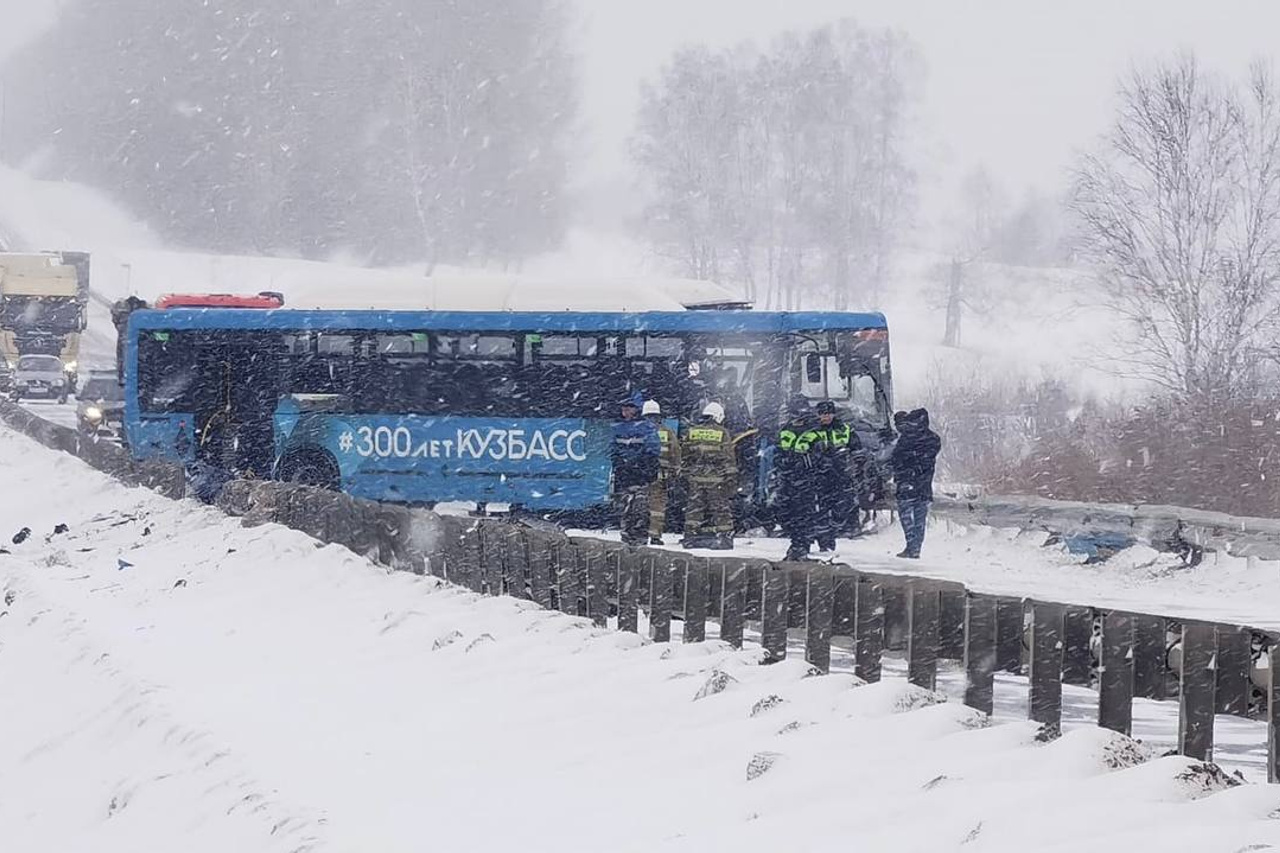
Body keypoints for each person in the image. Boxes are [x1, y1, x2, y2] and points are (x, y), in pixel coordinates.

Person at [680, 401, 736, 550]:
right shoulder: (722, 432)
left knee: (694, 508)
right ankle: (725, 538)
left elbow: (685, 456)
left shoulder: (692, 431)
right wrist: (730, 478)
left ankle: (690, 537)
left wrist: (686, 474)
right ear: (718, 416)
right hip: (715, 478)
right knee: (720, 509)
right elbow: (728, 458)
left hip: (696, 478)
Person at [810, 400, 862, 554]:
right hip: (820, 478)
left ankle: (834, 531)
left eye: (828, 414)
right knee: (821, 512)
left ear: (833, 414)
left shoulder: (845, 429)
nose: (825, 417)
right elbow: (805, 451)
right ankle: (825, 542)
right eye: (822, 414)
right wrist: (818, 459)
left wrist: (855, 465)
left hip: (841, 476)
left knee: (841, 509)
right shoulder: (812, 432)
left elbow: (857, 449)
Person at [890, 407, 942, 559]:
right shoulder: (933, 439)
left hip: (908, 482)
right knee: (919, 519)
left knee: (907, 516)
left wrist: (904, 471)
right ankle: (915, 547)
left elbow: (897, 458)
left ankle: (912, 546)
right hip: (923, 484)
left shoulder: (908, 438)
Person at [612, 393, 661, 546]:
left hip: (640, 474)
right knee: (625, 508)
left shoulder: (646, 428)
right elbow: (613, 450)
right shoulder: (618, 428)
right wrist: (620, 465)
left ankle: (639, 538)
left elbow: (653, 450)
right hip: (625, 474)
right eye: (623, 408)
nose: (625, 411)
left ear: (637, 409)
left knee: (640, 507)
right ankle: (627, 536)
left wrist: (644, 468)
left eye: (628, 408)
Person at [776, 397, 820, 561]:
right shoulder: (785, 429)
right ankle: (795, 544)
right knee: (788, 514)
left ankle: (802, 545)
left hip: (805, 480)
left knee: (804, 514)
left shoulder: (813, 431)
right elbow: (779, 451)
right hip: (788, 480)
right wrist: (782, 463)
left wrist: (803, 462)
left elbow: (818, 456)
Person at [643, 399, 680, 545]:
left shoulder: (638, 430)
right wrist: (675, 472)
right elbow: (675, 453)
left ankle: (636, 533)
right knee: (657, 507)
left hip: (639, 475)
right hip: (660, 476)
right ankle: (655, 536)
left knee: (638, 504)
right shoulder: (667, 432)